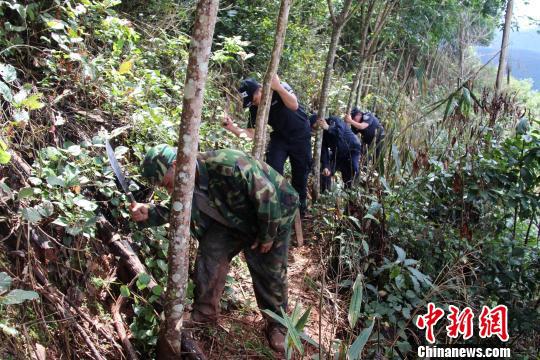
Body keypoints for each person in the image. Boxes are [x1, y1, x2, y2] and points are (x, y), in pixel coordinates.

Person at [129, 145, 299, 353]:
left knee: (267, 269)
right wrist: (149, 213)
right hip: (233, 219)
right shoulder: (186, 182)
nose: (169, 190)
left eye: (166, 183)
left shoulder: (227, 163)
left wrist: (268, 235)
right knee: (210, 253)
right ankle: (205, 314)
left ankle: (278, 325)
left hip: (275, 212)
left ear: (176, 165)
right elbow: (179, 208)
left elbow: (266, 194)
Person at [223, 74, 311, 217]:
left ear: (260, 90)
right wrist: (232, 128)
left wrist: (278, 87)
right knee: (272, 171)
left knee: (300, 175)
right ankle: (277, 208)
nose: (254, 104)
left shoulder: (279, 87)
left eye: (254, 99)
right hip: (280, 138)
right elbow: (251, 135)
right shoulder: (254, 108)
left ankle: (300, 210)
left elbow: (294, 105)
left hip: (300, 135)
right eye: (250, 103)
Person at [310, 114, 361, 192]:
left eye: (315, 127)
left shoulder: (334, 120)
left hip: (352, 149)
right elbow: (324, 151)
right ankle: (325, 193)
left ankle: (351, 195)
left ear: (319, 121)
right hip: (338, 154)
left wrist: (328, 128)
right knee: (326, 172)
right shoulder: (322, 135)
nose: (315, 130)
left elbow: (339, 134)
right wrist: (326, 166)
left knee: (353, 170)